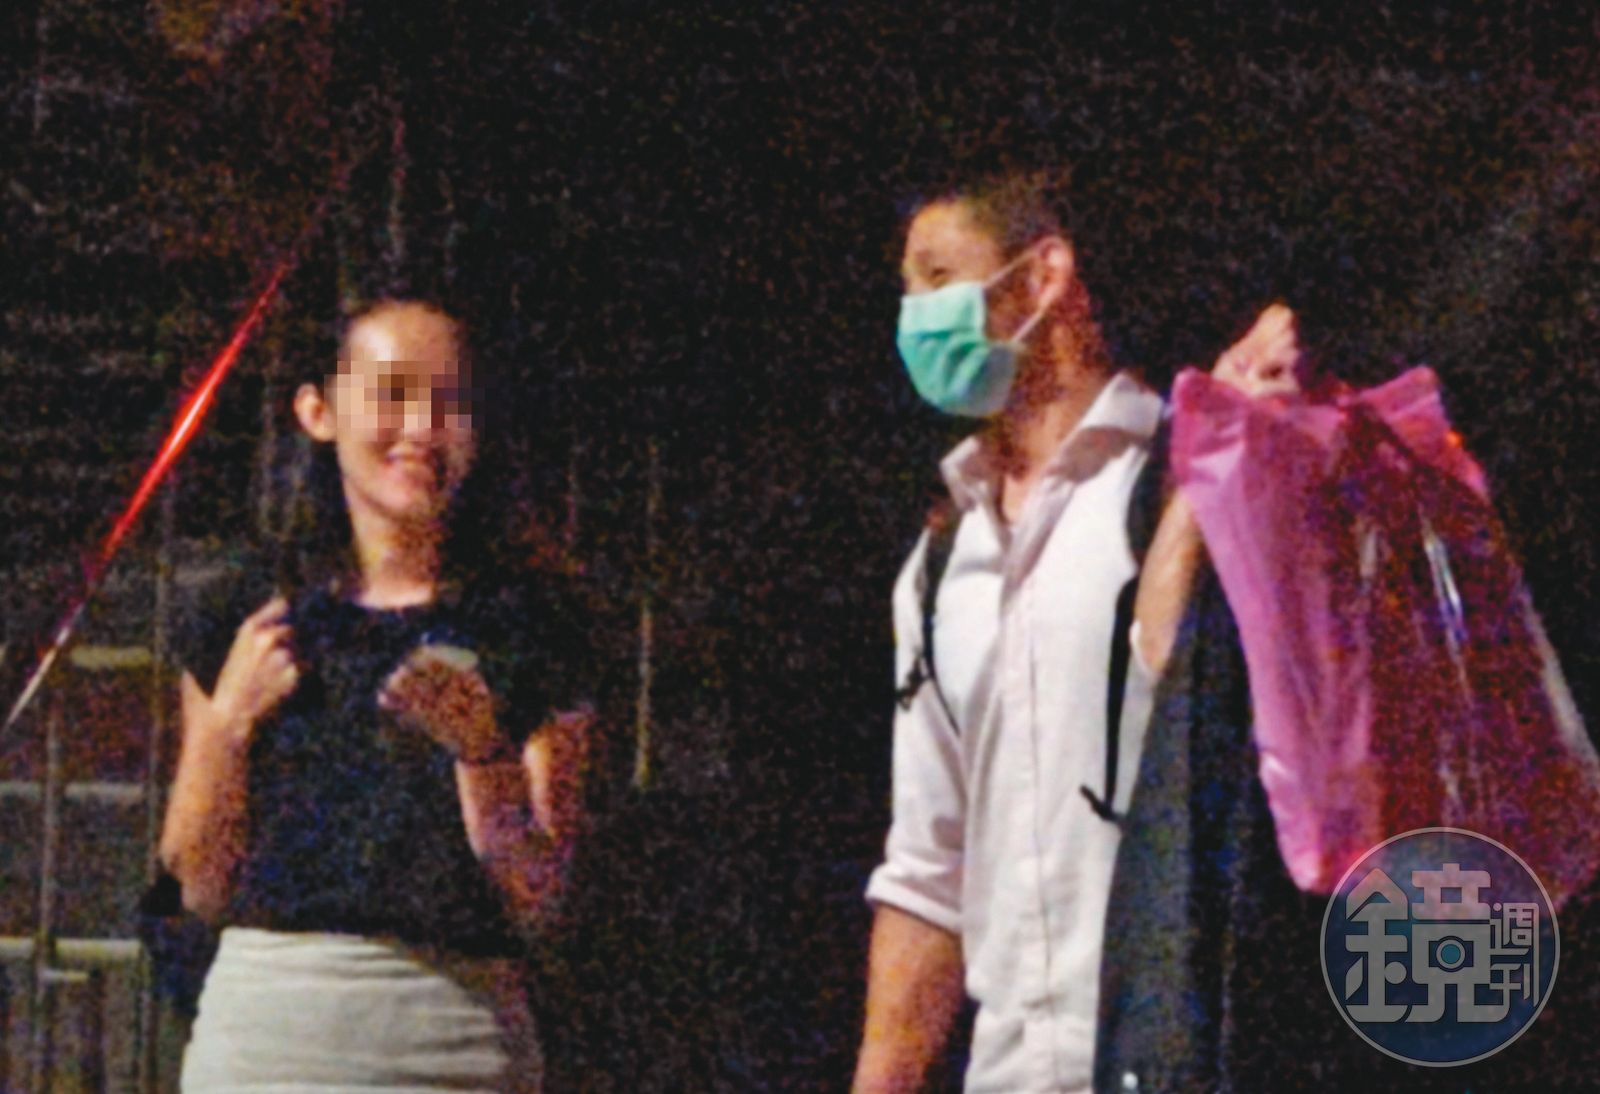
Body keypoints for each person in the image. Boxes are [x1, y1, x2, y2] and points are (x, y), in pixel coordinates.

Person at [852, 171, 1303, 1093]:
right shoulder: (940, 564)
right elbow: (929, 877)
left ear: (1042, 276)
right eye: (906, 290)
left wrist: (1220, 463)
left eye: (938, 277)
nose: (916, 318)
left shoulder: (1178, 481)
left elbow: (1219, 707)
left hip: (1183, 1065)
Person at [158, 299, 593, 1092]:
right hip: (265, 1038)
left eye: (451, 401)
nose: (422, 427)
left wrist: (483, 754)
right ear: (318, 412)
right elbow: (196, 882)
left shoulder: (532, 622)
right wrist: (228, 726)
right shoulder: (247, 611)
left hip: (454, 1042)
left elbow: (542, 900)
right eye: (393, 394)